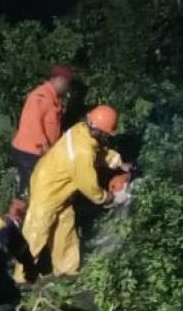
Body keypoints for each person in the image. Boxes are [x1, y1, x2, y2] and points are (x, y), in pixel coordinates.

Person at [15, 105, 130, 281]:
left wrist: (117, 162)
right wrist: (110, 197)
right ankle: (21, 279)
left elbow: (96, 153)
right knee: (36, 233)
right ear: (98, 130)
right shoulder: (81, 153)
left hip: (58, 184)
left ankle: (67, 271)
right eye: (106, 134)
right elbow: (89, 187)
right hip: (47, 189)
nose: (107, 137)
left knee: (64, 225)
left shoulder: (81, 130)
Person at [10, 63, 74, 200]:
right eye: (68, 83)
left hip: (36, 153)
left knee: (37, 191)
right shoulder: (40, 97)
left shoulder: (53, 99)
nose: (68, 88)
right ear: (60, 80)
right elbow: (33, 124)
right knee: (28, 193)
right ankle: (17, 219)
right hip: (30, 154)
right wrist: (46, 148)